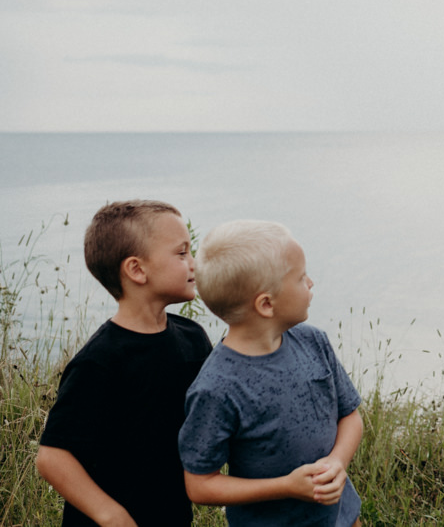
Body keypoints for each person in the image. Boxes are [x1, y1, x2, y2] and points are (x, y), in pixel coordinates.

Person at [36, 200, 213, 527]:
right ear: (136, 270)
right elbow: (53, 457)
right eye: (181, 253)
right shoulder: (101, 360)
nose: (193, 262)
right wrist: (111, 514)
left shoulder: (193, 338)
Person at [178, 220, 363, 527]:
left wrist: (337, 461)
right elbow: (200, 484)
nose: (311, 283)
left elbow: (350, 416)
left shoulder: (313, 342)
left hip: (342, 517)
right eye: (301, 277)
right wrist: (286, 487)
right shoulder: (216, 388)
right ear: (266, 304)